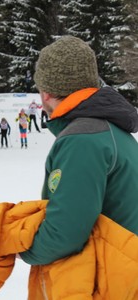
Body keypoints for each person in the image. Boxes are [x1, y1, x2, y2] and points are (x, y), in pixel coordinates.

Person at [18, 36, 138, 294]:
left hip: (114, 282)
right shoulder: (108, 130)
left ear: (47, 92)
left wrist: (19, 246)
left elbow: (66, 233)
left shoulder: (83, 140)